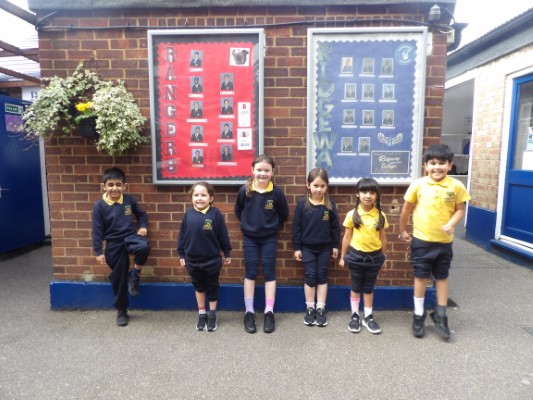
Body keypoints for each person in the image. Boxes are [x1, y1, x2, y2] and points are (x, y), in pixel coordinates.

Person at [399, 144, 470, 340]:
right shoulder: (418, 185)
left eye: (441, 163)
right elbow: (406, 209)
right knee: (421, 278)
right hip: (422, 242)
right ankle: (419, 314)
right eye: (432, 163)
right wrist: (403, 230)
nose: (436, 167)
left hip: (444, 243)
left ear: (450, 165)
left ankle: (441, 315)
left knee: (442, 277)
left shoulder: (456, 186)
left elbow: (460, 209)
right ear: (425, 166)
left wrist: (452, 223)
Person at [234, 155, 289, 334]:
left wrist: (272, 227)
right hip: (250, 238)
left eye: (266, 170)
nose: (262, 173)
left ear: (272, 172)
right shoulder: (245, 191)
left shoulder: (277, 193)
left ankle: (269, 312)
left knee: (269, 273)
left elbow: (283, 214)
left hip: (269, 238)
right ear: (253, 171)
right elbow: (238, 210)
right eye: (259, 170)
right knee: (250, 272)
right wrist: (248, 225)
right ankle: (249, 312)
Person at [91, 167, 150, 326]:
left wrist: (143, 226)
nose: (114, 188)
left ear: (124, 186)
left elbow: (141, 214)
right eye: (110, 185)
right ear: (104, 186)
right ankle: (121, 310)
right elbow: (96, 230)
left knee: (143, 247)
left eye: (118, 185)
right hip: (113, 243)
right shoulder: (100, 206)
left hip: (130, 237)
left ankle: (135, 274)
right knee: (118, 277)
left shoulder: (129, 200)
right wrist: (98, 251)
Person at [177, 182, 232, 332]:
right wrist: (181, 253)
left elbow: (223, 235)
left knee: (212, 287)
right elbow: (182, 236)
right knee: (199, 287)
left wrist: (226, 252)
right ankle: (202, 313)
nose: (199, 198)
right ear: (191, 198)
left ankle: (212, 313)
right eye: (196, 195)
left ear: (211, 198)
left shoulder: (215, 214)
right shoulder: (188, 214)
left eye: (203, 195)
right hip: (192, 260)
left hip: (212, 260)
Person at [292, 168, 340, 327]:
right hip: (308, 248)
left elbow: (335, 228)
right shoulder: (302, 205)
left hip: (325, 248)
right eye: (315, 185)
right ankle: (310, 308)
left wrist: (335, 245)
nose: (319, 189)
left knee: (322, 275)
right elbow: (296, 228)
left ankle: (320, 308)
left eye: (322, 186)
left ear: (327, 187)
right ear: (308, 185)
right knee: (310, 276)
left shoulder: (330, 205)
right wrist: (297, 248)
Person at [339, 178, 388, 334]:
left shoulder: (380, 215)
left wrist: (384, 257)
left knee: (368, 288)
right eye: (364, 192)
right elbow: (346, 237)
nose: (368, 195)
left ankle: (368, 316)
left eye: (372, 192)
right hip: (355, 257)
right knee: (355, 286)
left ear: (377, 196)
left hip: (374, 258)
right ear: (357, 194)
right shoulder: (352, 214)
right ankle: (355, 316)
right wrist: (342, 256)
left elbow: (383, 238)